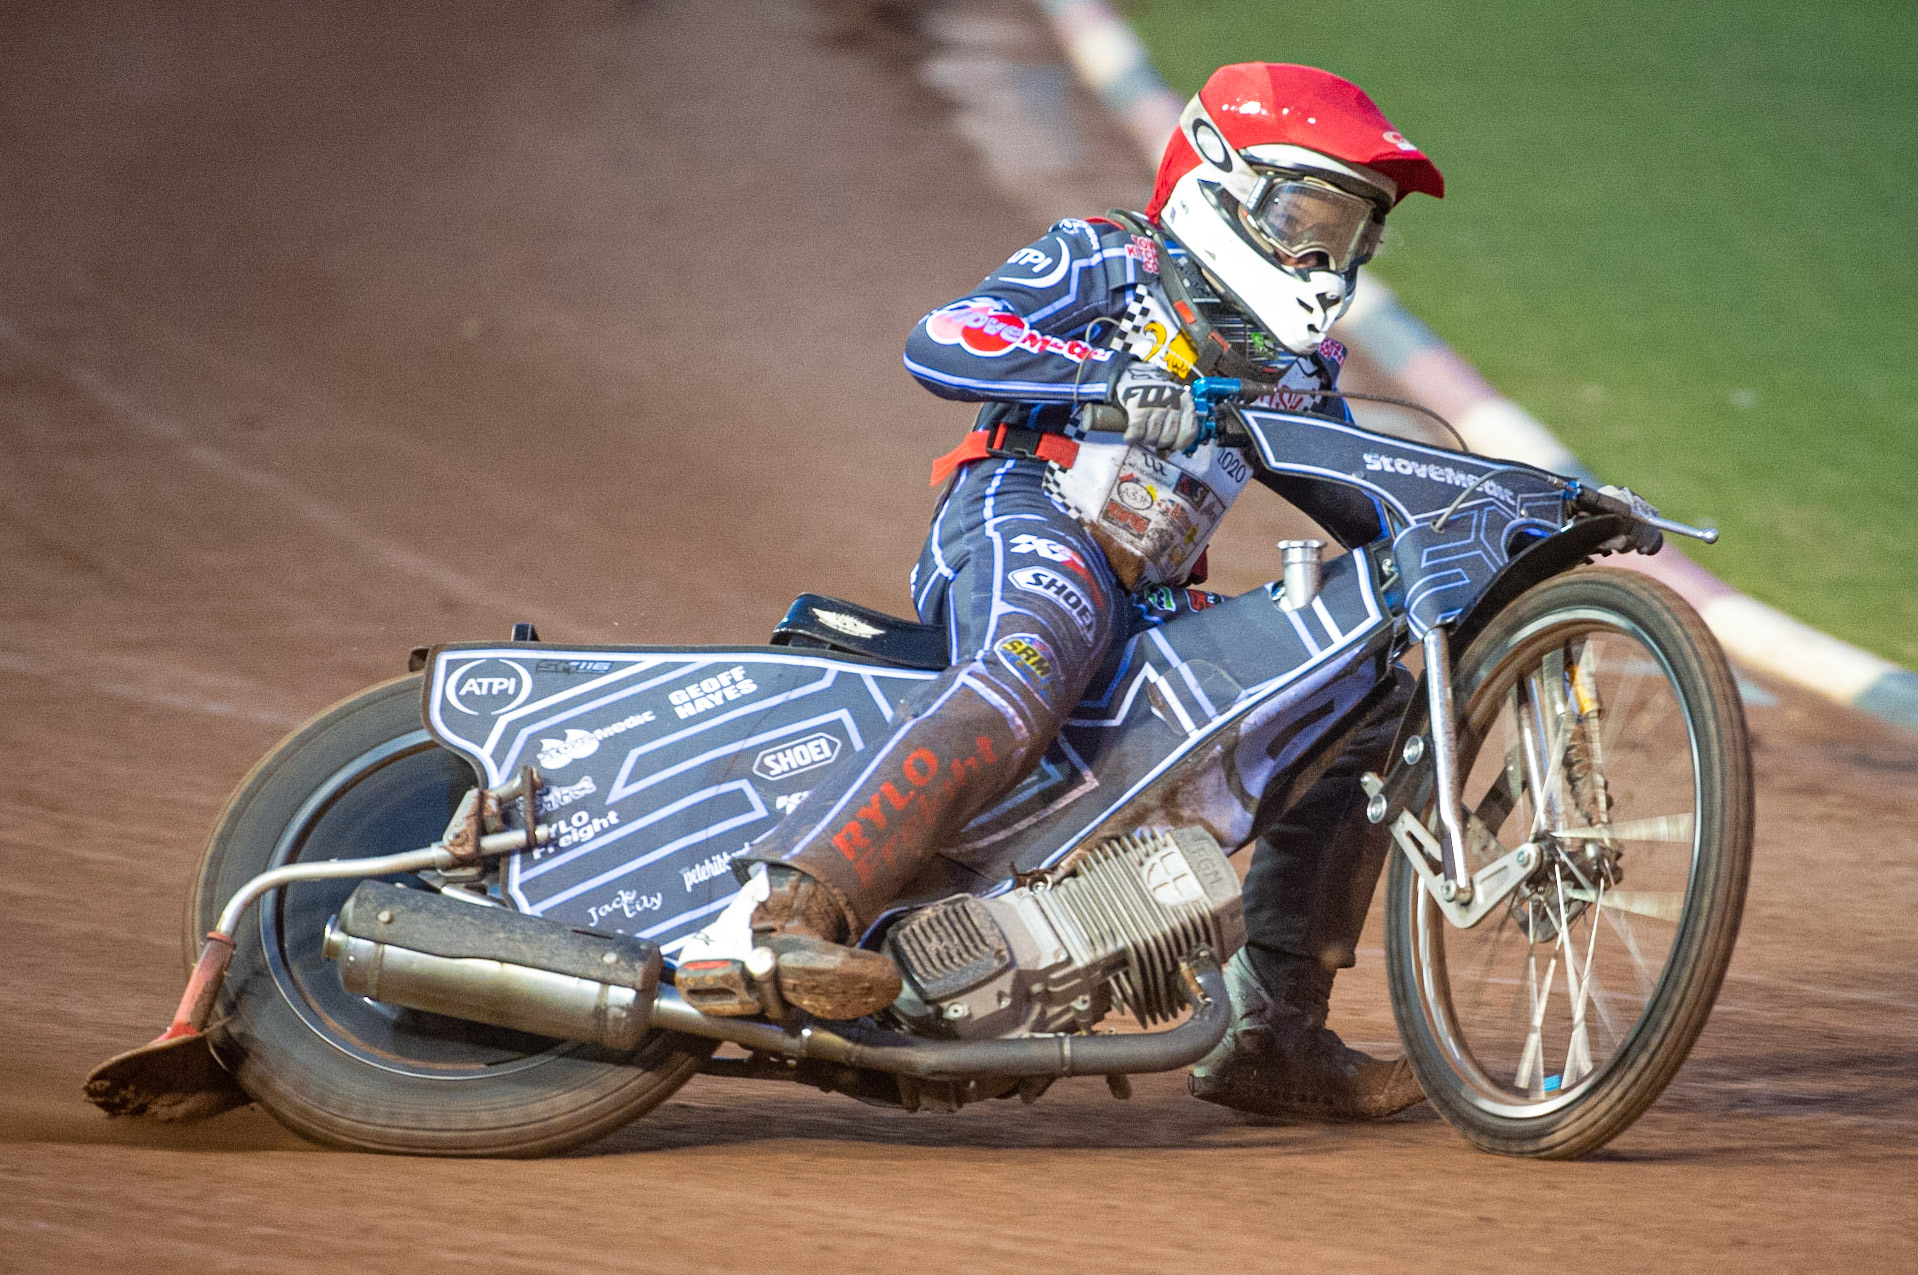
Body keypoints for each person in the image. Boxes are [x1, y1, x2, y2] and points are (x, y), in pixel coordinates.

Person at [702, 63, 1441, 1120]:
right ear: (1219, 185)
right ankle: (785, 917)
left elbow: (1365, 497)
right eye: (1307, 218)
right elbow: (948, 336)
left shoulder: (1294, 365)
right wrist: (1100, 381)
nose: (1328, 259)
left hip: (1149, 594)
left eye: (1353, 235)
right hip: (1025, 509)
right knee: (1033, 650)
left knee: (1364, 700)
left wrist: (1499, 522)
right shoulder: (1111, 256)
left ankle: (1271, 1038)